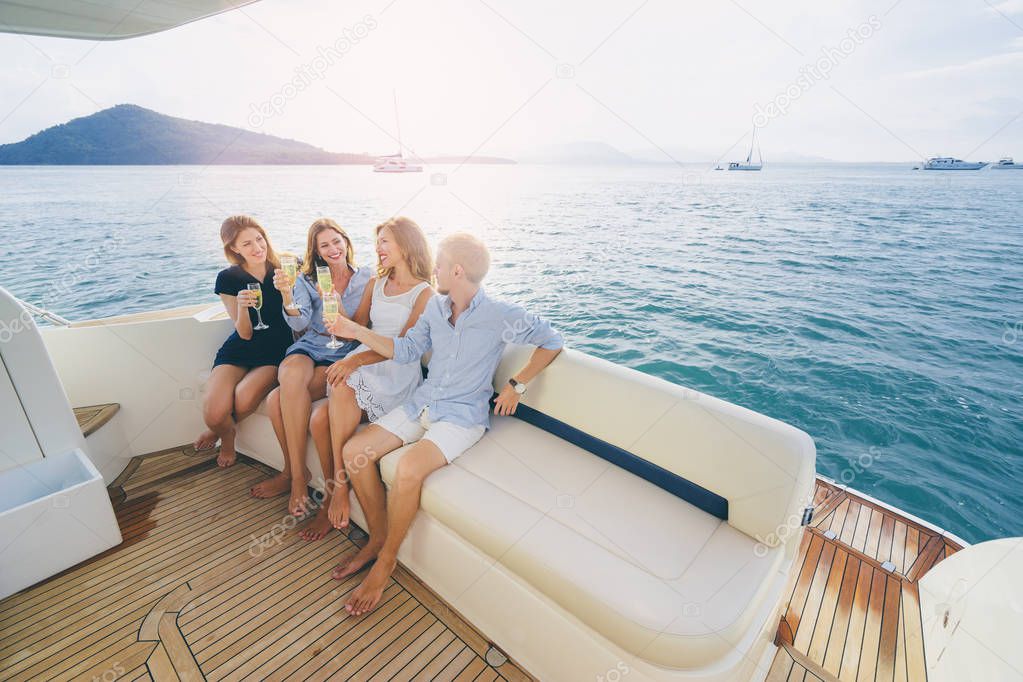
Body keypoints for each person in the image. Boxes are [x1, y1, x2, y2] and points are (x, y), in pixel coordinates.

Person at [327, 232, 563, 615]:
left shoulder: (499, 315)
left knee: (407, 469)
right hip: (423, 402)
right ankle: (377, 538)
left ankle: (386, 562)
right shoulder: (436, 308)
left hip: (461, 416)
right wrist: (355, 331)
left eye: (439, 264)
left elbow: (552, 339)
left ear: (457, 270)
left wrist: (517, 384)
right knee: (355, 451)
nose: (433, 270)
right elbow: (405, 351)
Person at [248, 219, 371, 532]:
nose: (333, 249)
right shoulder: (307, 278)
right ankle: (299, 479)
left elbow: (360, 329)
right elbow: (298, 322)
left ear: (347, 241)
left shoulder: (367, 278)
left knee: (276, 399)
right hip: (312, 343)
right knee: (288, 371)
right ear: (315, 252)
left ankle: (293, 472)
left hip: (343, 352)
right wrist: (288, 294)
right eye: (324, 245)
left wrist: (335, 302)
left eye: (336, 241)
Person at [319, 217, 434, 545]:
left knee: (342, 382)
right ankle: (337, 491)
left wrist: (353, 360)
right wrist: (334, 305)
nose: (378, 249)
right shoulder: (376, 283)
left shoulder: (424, 293)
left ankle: (339, 490)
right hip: (365, 361)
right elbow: (357, 326)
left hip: (395, 369)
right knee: (331, 398)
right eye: (378, 241)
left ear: (407, 245)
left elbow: (402, 348)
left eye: (385, 242)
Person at [194, 215, 293, 467]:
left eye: (259, 239)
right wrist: (243, 309)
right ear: (234, 249)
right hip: (241, 347)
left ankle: (223, 435)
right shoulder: (227, 278)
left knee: (243, 398)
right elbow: (245, 333)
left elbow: (300, 314)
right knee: (213, 413)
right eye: (247, 244)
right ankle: (223, 431)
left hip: (275, 350)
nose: (257, 248)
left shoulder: (285, 267)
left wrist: (288, 291)